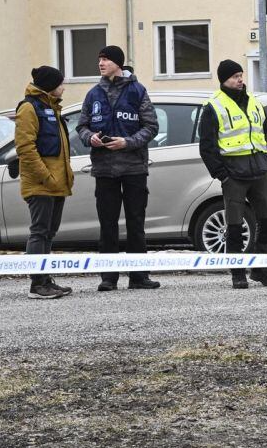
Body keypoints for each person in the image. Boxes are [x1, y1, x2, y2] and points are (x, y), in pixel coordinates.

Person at [76, 45, 161, 292]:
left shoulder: (137, 91)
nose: (101, 63)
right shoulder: (93, 94)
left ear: (118, 63)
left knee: (136, 223)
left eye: (106, 59)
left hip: (134, 167)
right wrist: (90, 137)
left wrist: (127, 142)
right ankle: (108, 278)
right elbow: (81, 126)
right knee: (107, 224)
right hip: (104, 169)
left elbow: (151, 127)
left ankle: (139, 276)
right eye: (99, 59)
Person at [198, 60, 267, 289]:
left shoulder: (254, 102)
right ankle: (238, 273)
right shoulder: (214, 106)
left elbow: (266, 134)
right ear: (224, 79)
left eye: (241, 75)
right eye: (235, 76)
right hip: (234, 174)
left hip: (259, 170)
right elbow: (207, 147)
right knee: (234, 226)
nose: (240, 79)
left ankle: (261, 269)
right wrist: (222, 174)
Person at [15, 66, 74, 299]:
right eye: (60, 83)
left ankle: (45, 279)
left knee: (49, 233)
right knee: (39, 232)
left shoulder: (51, 107)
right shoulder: (29, 108)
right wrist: (46, 177)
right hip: (41, 184)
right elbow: (25, 148)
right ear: (50, 86)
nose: (63, 88)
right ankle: (37, 284)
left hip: (56, 184)